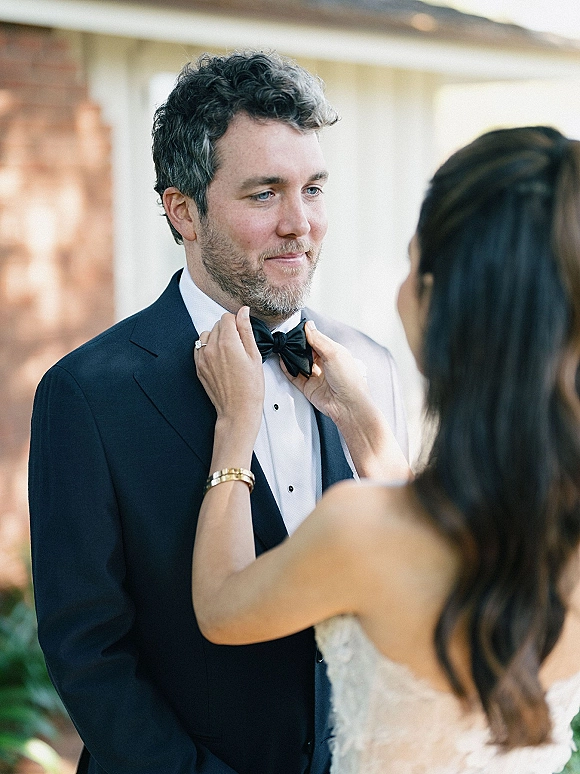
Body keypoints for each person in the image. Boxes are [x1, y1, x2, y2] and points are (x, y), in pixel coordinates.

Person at [28, 52, 408, 774]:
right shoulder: (87, 394)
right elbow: (90, 654)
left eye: (314, 189)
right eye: (264, 194)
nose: (301, 224)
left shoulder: (369, 369)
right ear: (184, 211)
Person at [191, 125, 580, 773]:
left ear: (440, 301)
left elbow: (222, 606)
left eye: (410, 262)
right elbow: (451, 557)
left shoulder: (360, 528)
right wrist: (365, 425)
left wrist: (235, 426)